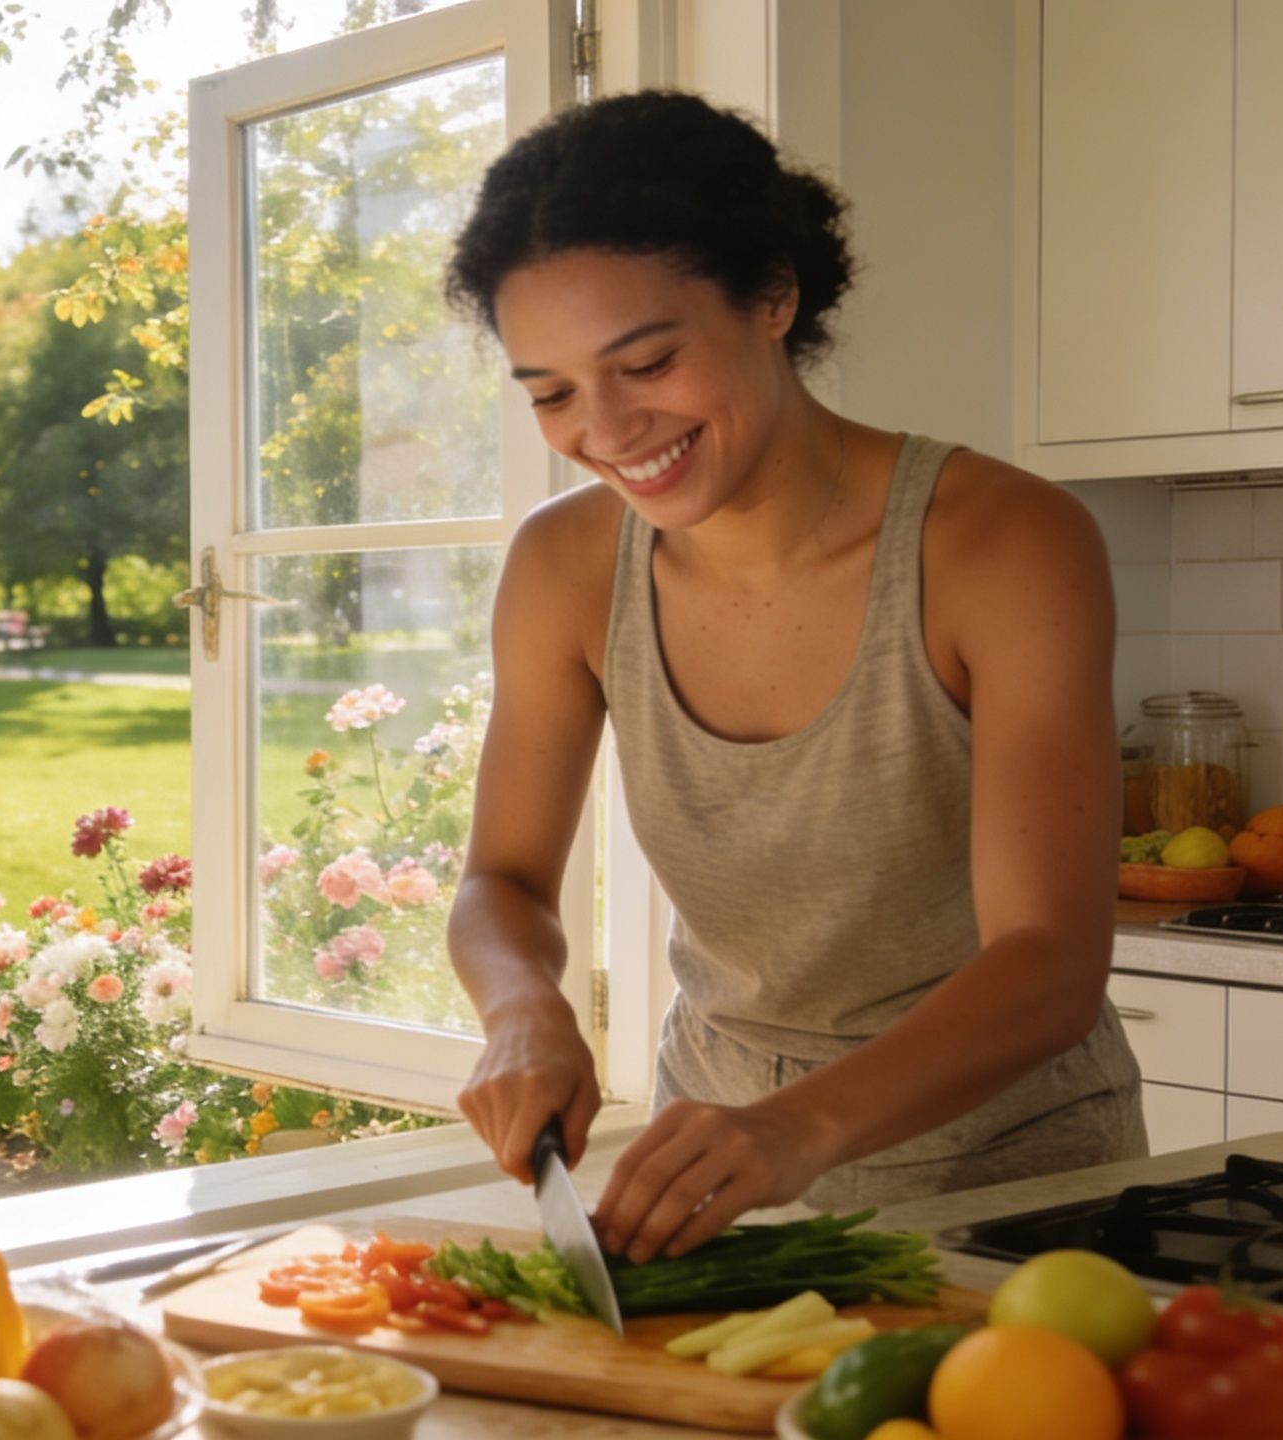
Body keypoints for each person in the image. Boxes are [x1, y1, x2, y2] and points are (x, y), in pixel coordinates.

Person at [439, 91, 1143, 1265]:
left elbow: (1048, 964)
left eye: (646, 361)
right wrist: (521, 1014)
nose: (605, 430)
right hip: (713, 1161)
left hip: (1018, 1181)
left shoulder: (1004, 544)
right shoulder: (563, 569)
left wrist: (793, 1132)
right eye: (551, 393)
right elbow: (501, 880)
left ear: (772, 294)